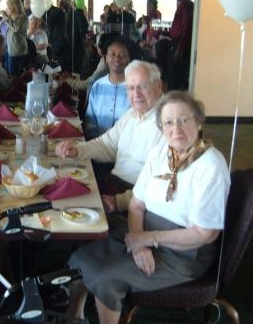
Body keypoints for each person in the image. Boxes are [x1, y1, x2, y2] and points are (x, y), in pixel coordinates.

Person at [66, 91, 230, 324]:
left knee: (105, 276)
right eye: (169, 122)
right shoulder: (161, 152)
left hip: (184, 254)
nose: (176, 128)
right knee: (82, 257)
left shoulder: (211, 165)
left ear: (199, 121)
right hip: (144, 231)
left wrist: (146, 239)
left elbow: (205, 234)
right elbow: (137, 204)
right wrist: (138, 242)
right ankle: (74, 316)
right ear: (161, 127)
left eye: (184, 120)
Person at [56, 60, 164, 214]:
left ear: (158, 85)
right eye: (131, 88)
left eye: (143, 86)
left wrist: (121, 202)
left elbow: (160, 183)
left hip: (133, 202)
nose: (136, 94)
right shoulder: (133, 114)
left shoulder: (170, 122)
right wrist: (76, 150)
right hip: (111, 184)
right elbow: (106, 145)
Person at [83, 35, 132, 138]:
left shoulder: (135, 88)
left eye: (122, 55)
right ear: (105, 58)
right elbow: (89, 119)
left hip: (127, 150)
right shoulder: (97, 86)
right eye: (112, 54)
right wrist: (96, 142)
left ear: (128, 59)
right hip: (99, 147)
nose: (117, 59)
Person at [168, 0, 194, 90]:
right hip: (179, 44)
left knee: (175, 77)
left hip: (180, 45)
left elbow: (185, 30)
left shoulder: (185, 7)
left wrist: (179, 50)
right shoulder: (185, 6)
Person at [58, 0, 88, 73]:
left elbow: (84, 27)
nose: (60, 2)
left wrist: (78, 11)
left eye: (62, 0)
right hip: (63, 50)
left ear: (68, 0)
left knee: (75, 74)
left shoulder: (77, 11)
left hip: (76, 49)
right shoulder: (59, 12)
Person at [0, 0, 28, 76]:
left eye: (8, 6)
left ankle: (17, 88)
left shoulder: (22, 17)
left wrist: (6, 18)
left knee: (13, 74)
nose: (7, 8)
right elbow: (2, 30)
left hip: (17, 49)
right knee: (7, 71)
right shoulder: (10, 17)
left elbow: (15, 28)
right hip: (8, 48)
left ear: (14, 7)